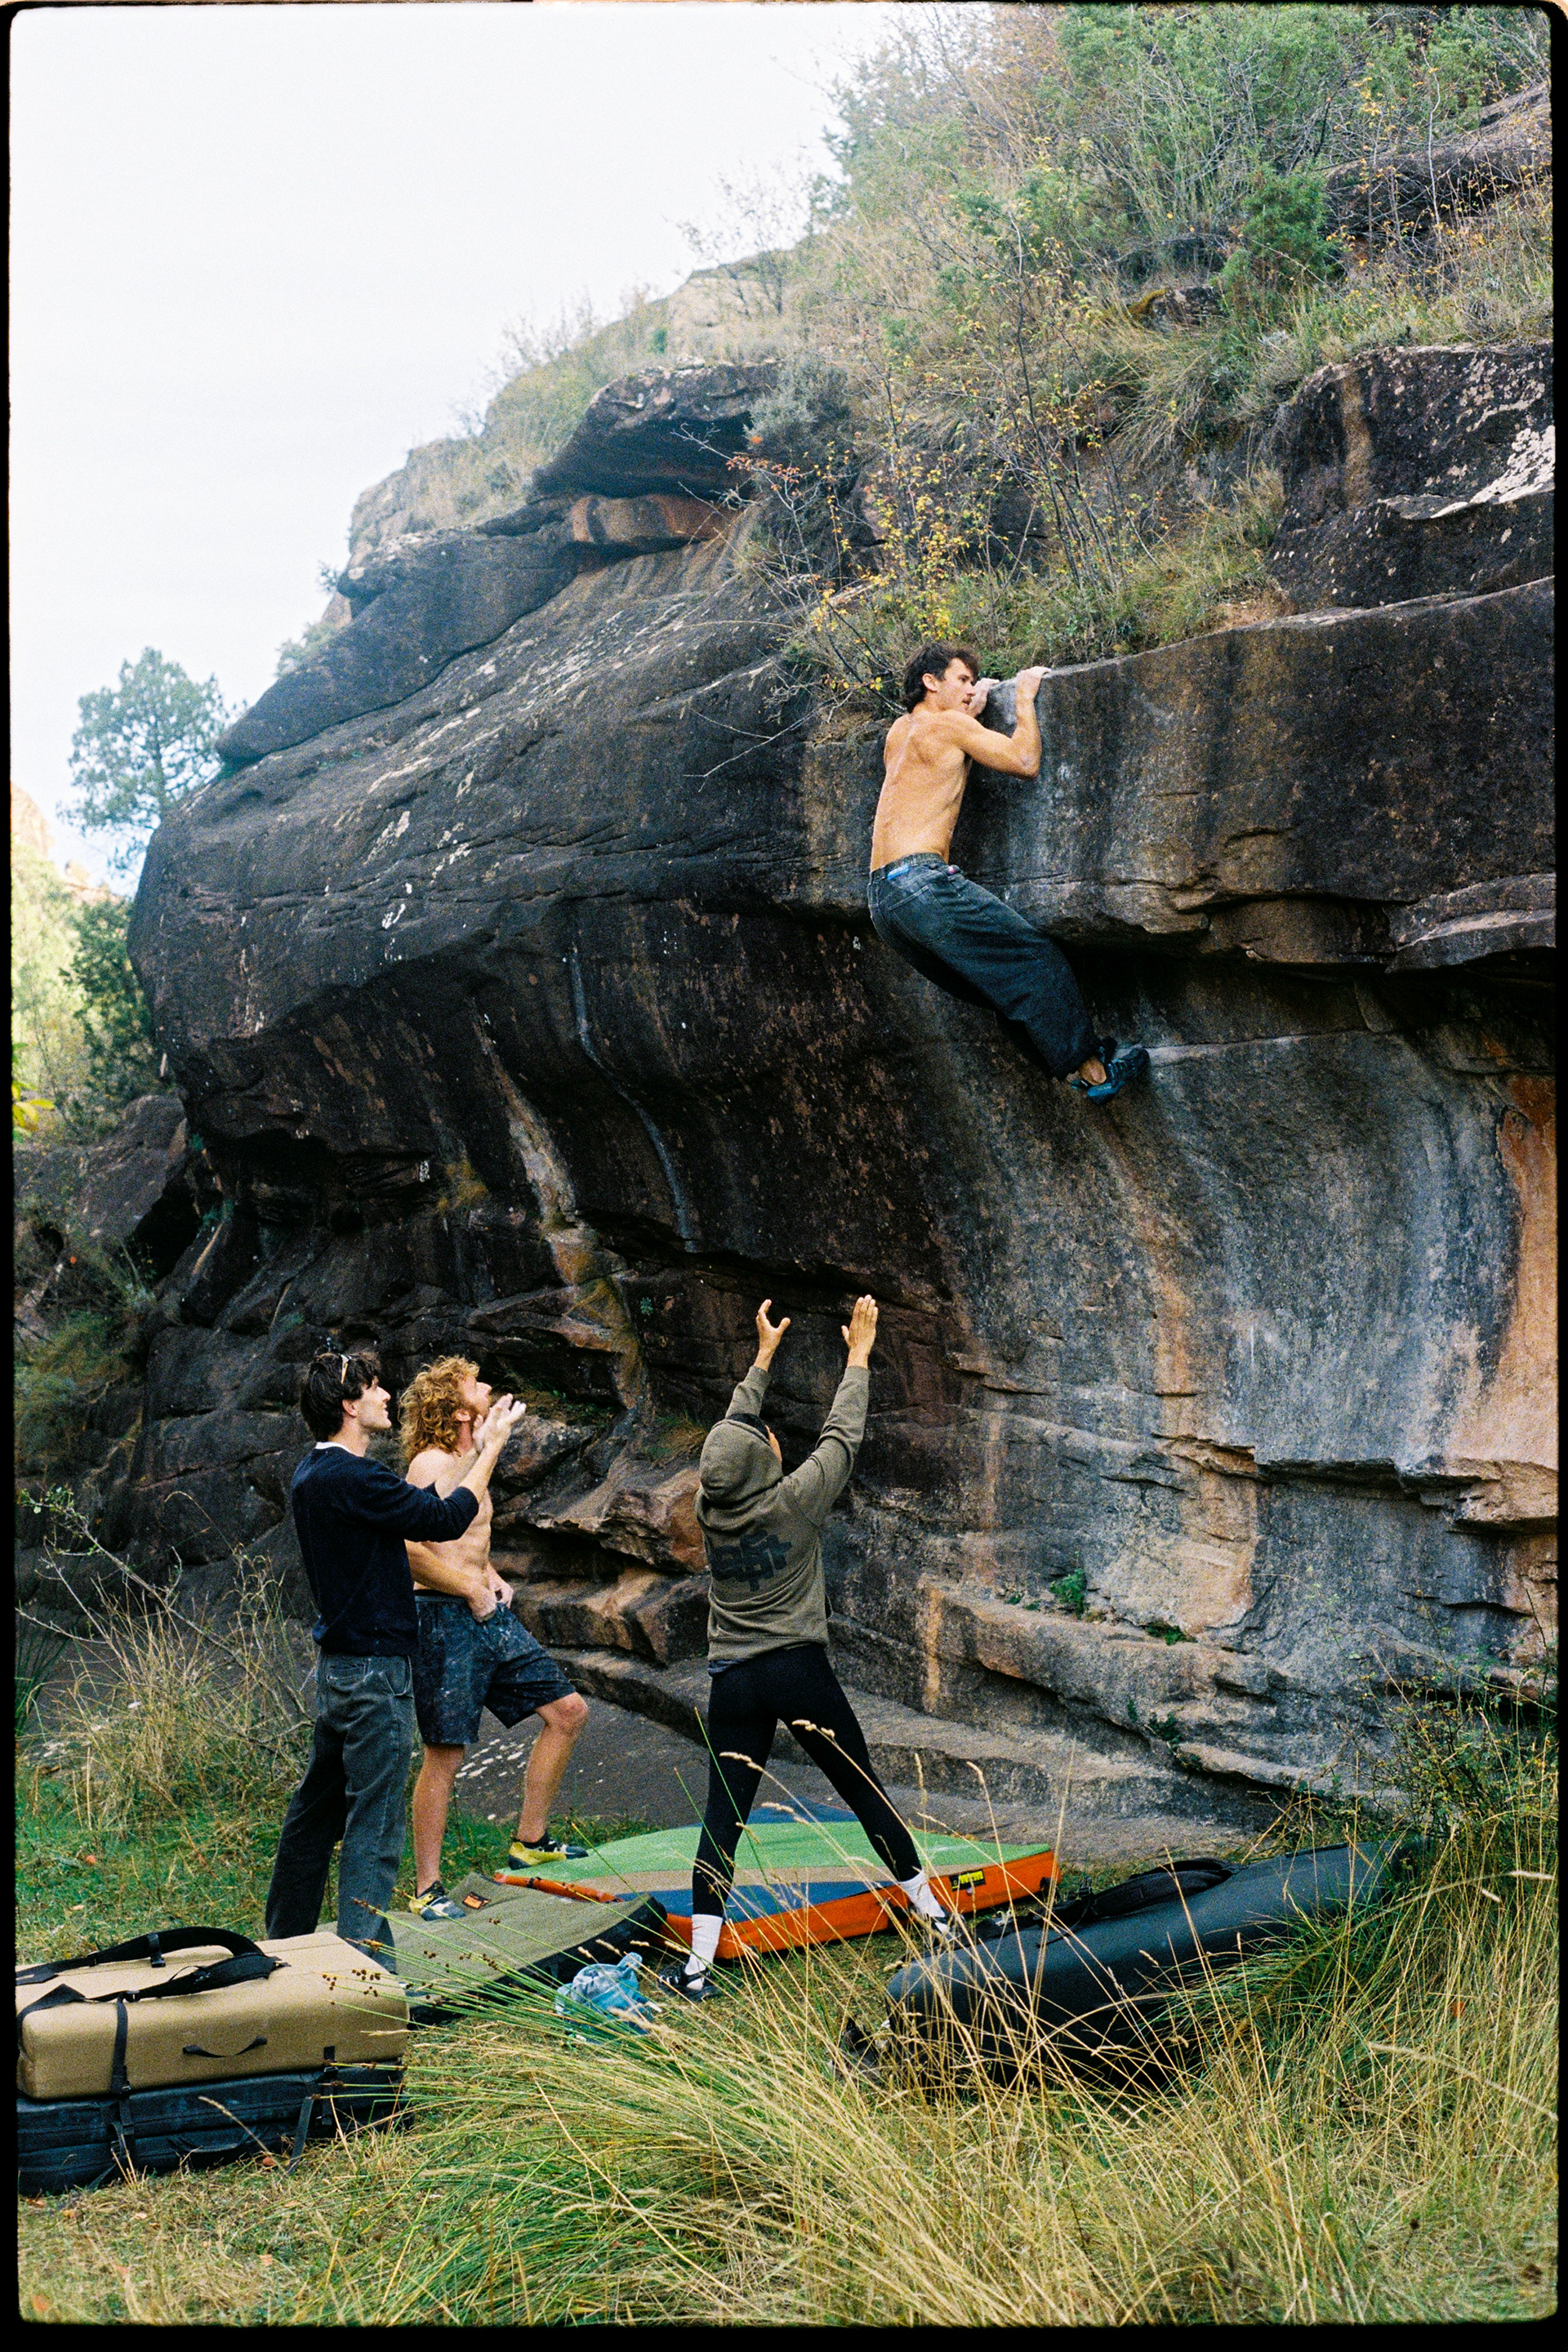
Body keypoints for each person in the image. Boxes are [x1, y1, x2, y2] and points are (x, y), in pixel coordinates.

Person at [663, 1296, 953, 2002]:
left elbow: (727, 1440)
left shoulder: (709, 1506)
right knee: (862, 1792)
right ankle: (939, 1925)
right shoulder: (793, 1504)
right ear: (769, 1459)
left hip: (734, 1681)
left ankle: (697, 1969)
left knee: (722, 1819)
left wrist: (762, 1356)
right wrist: (858, 1353)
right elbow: (843, 1436)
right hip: (799, 1672)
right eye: (765, 1440)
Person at [265, 1348, 523, 1959]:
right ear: (350, 1405)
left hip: (337, 1673)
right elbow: (444, 1518)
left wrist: (474, 1452)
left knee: (314, 1814)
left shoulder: (312, 1475)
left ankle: (284, 1940)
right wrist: (491, 1447)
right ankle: (365, 1965)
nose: (386, 1396)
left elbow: (426, 1513)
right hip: (377, 1674)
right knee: (373, 1825)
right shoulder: (357, 1479)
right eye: (375, 1388)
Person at [868, 641, 1150, 1100]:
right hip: (923, 885)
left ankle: (1082, 1072)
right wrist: (1022, 697)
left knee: (1003, 988)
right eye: (962, 679)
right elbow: (1024, 761)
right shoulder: (949, 726)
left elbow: (937, 760)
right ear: (930, 681)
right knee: (1034, 961)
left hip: (884, 903)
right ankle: (1098, 1073)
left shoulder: (899, 733)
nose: (970, 688)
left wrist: (970, 710)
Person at [399, 1355, 591, 1919]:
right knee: (445, 1754)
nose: (487, 1387)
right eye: (475, 1384)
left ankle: (529, 1843)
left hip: (484, 1611)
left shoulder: (470, 1457)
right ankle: (427, 1888)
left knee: (568, 1711)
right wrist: (467, 1587)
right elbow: (410, 1550)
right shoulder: (430, 1463)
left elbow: (463, 1538)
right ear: (458, 1409)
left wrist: (492, 1578)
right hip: (440, 1616)